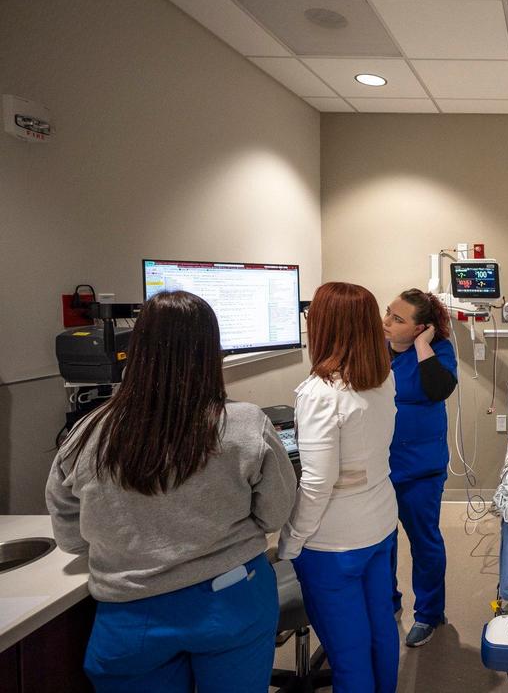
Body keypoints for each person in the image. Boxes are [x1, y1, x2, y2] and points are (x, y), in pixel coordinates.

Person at [45, 290, 296, 693]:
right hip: (230, 599)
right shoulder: (245, 425)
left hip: (131, 619)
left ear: (136, 350)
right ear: (211, 352)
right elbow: (275, 513)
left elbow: (71, 537)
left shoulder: (86, 434)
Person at [278, 282, 400, 693]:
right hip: (380, 524)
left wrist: (291, 541)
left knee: (348, 654)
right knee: (380, 629)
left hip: (333, 544)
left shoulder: (321, 393)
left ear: (324, 326)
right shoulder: (383, 379)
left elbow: (316, 483)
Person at [382, 289, 458, 647]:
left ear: (420, 328)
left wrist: (423, 345)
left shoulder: (438, 351)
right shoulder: (376, 350)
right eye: (388, 313)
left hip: (420, 469)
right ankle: (388, 602)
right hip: (380, 465)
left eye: (398, 319)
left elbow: (439, 388)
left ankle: (428, 613)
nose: (386, 322)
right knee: (382, 540)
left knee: (423, 541)